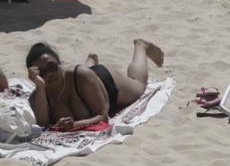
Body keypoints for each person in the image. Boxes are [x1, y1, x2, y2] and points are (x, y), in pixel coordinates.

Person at [26, 40, 163, 131]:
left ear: (60, 63)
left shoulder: (81, 75)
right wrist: (41, 88)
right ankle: (90, 61)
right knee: (84, 73)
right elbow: (42, 125)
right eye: (42, 72)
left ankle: (141, 47)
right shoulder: (38, 96)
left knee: (138, 86)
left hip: (105, 82)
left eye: (52, 66)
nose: (49, 74)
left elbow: (103, 116)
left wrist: (74, 125)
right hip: (84, 80)